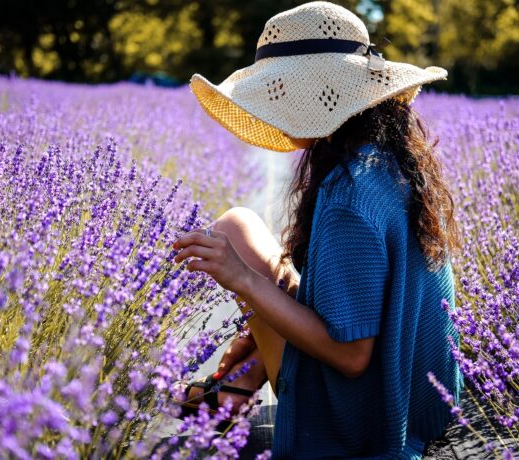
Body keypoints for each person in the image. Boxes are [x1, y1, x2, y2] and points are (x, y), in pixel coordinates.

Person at [172, 1, 465, 458]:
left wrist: (243, 280)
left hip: (363, 419)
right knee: (237, 225)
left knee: (235, 247)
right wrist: (259, 327)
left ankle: (234, 388)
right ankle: (242, 379)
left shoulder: (349, 195)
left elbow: (351, 356)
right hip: (418, 397)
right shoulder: (389, 160)